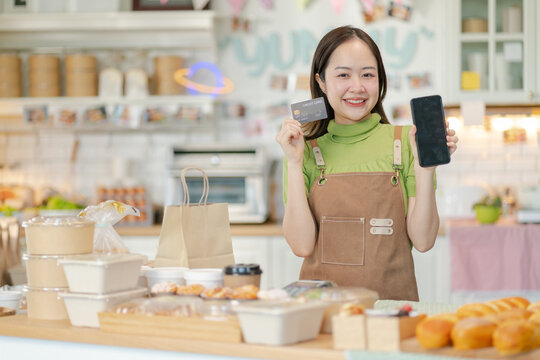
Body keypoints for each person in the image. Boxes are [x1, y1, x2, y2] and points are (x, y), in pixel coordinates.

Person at [275, 25, 458, 301]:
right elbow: (301, 245)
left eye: (368, 75)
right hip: (323, 316)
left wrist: (425, 168)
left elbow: (423, 241)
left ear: (380, 81)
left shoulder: (406, 141)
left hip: (390, 313)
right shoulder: (304, 151)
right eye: (343, 75)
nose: (357, 87)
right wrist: (293, 162)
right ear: (322, 82)